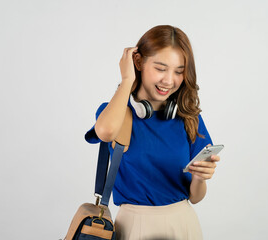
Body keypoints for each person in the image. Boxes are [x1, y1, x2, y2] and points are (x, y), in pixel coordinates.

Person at [85, 25, 220, 240]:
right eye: (160, 68)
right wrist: (127, 80)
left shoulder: (189, 118)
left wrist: (199, 178)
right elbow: (106, 132)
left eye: (178, 71)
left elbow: (195, 197)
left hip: (183, 224)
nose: (169, 80)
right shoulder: (115, 113)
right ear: (138, 63)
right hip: (134, 226)